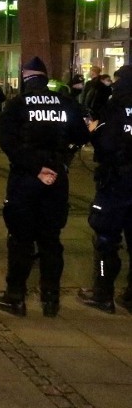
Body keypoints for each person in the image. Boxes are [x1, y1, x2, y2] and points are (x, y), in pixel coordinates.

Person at [0, 57, 90, 318]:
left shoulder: (17, 105)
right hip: (57, 179)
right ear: (45, 78)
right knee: (50, 240)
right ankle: (50, 299)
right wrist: (57, 161)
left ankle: (15, 297)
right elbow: (82, 136)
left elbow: (7, 141)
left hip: (25, 180)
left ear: (25, 78)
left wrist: (36, 167)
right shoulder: (66, 103)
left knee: (21, 240)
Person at [77, 65, 132, 314]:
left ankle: (102, 293)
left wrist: (92, 131)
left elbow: (105, 140)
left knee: (105, 240)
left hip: (116, 183)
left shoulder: (115, 108)